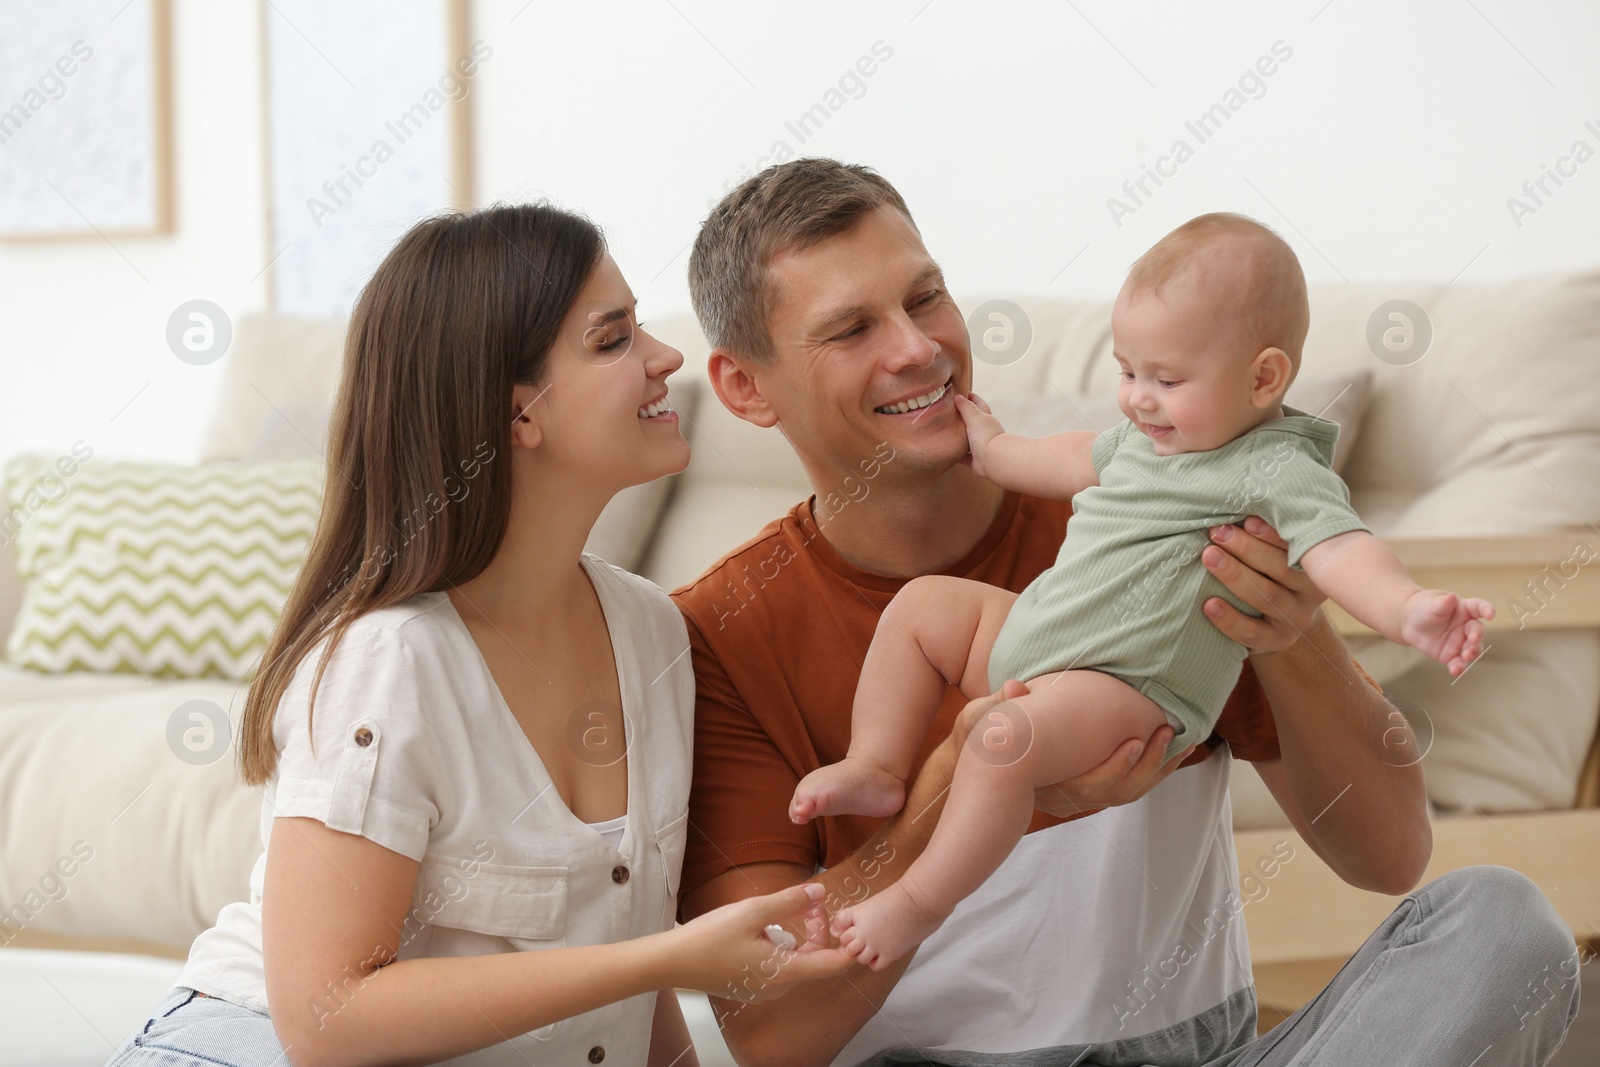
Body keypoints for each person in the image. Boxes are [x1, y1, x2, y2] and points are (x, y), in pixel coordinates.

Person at [672, 159, 1578, 1065]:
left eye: (927, 296)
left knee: (1502, 929)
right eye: (851, 327)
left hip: (1201, 1054)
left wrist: (1292, 633)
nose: (917, 348)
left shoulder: (1167, 513)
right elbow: (769, 1033)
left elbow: (1390, 858)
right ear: (745, 386)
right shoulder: (718, 632)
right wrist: (951, 783)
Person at [106, 204, 849, 1067]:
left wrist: (659, 969)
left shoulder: (652, 632)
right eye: (612, 341)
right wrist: (669, 958)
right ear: (517, 416)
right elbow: (325, 1016)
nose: (664, 358)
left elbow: (627, 992)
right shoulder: (391, 661)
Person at [791, 213, 1493, 969]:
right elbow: (1064, 456)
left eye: (1166, 379)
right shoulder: (1145, 440)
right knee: (924, 606)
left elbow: (1342, 550)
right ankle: (877, 764)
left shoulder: (1272, 467)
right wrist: (991, 445)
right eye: (1127, 372)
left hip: (1129, 684)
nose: (1138, 400)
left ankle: (917, 903)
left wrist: (1407, 608)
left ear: (1264, 378)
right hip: (1042, 636)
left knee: (1002, 740)